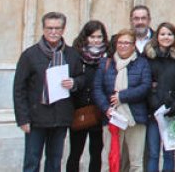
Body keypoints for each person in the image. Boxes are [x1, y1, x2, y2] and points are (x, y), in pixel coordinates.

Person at [14, 11, 84, 172]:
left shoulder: (72, 54)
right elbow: (19, 89)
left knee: (54, 162)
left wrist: (74, 82)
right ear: (43, 29)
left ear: (63, 29)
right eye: (49, 28)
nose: (53, 32)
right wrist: (23, 119)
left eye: (57, 28)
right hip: (36, 118)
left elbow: (82, 78)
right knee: (32, 161)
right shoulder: (30, 55)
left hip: (61, 117)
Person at [94, 28, 153, 172]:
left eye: (127, 43)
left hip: (135, 118)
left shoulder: (142, 63)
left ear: (133, 46)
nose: (123, 45)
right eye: (120, 42)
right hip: (112, 117)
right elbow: (97, 88)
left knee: (136, 162)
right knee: (110, 158)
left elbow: (145, 87)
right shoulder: (105, 63)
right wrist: (105, 108)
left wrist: (122, 97)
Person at [67, 20, 109, 172]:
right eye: (92, 37)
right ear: (85, 37)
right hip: (79, 110)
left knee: (96, 153)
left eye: (99, 37)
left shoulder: (107, 57)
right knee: (75, 152)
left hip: (99, 111)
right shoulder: (75, 55)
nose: (96, 41)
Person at [146, 23, 175, 172]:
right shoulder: (149, 58)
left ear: (174, 37)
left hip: (172, 111)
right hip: (153, 112)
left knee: (169, 153)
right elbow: (146, 82)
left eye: (169, 34)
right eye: (163, 34)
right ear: (157, 36)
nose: (166, 37)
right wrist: (153, 102)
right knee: (153, 153)